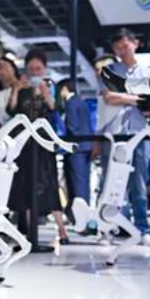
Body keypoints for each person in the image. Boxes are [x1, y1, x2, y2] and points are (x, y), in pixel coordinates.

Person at [100, 29, 150, 246]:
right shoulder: (109, 71)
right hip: (114, 134)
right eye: (117, 48)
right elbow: (110, 97)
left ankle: (142, 229)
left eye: (125, 46)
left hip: (140, 134)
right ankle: (108, 229)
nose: (122, 51)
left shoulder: (148, 72)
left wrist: (141, 102)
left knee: (139, 183)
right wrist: (137, 99)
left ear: (135, 44)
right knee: (111, 184)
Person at [8, 48, 70, 243]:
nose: (35, 72)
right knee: (25, 184)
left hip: (44, 143)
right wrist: (16, 89)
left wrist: (46, 94)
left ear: (45, 69)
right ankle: (29, 231)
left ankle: (61, 229)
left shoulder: (52, 87)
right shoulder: (22, 88)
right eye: (31, 69)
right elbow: (11, 111)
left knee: (50, 183)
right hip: (24, 143)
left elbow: (56, 109)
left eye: (38, 68)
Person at [58, 78, 94, 212]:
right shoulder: (81, 102)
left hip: (76, 148)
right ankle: (84, 212)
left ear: (65, 89)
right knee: (83, 181)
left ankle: (80, 214)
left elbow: (72, 127)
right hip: (86, 146)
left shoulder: (70, 103)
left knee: (77, 183)